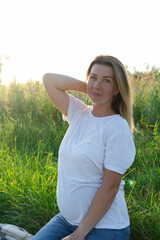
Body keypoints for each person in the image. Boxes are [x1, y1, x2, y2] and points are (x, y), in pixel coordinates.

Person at [32, 55, 136, 240]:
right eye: (93, 77)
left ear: (117, 88)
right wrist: (92, 88)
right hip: (68, 221)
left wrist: (79, 234)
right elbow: (49, 79)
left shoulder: (117, 128)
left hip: (106, 227)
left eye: (107, 81)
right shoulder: (79, 112)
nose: (97, 84)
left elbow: (110, 187)